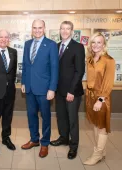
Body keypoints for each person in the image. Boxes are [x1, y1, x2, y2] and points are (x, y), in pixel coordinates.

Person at [21, 19, 59, 158]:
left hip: (44, 89)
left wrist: (52, 89)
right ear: (32, 29)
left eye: (40, 27)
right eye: (35, 27)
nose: (37, 30)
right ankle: (34, 139)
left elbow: (55, 69)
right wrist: (23, 83)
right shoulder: (27, 44)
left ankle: (45, 143)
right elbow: (25, 65)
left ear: (44, 28)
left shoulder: (51, 45)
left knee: (46, 117)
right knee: (31, 116)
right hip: (30, 88)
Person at [50, 21, 85, 160]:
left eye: (68, 29)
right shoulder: (56, 46)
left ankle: (73, 146)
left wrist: (71, 91)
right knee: (61, 117)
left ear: (72, 31)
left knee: (72, 120)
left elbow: (79, 71)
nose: (65, 31)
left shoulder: (78, 47)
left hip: (72, 92)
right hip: (59, 91)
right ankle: (63, 138)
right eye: (62, 28)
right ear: (59, 30)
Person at [83, 32, 115, 165]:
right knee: (95, 125)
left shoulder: (109, 60)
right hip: (90, 96)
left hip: (102, 98)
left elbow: (108, 83)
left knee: (101, 126)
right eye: (93, 42)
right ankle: (101, 151)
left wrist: (100, 100)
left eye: (99, 42)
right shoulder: (90, 59)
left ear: (104, 44)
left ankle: (97, 154)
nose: (96, 45)